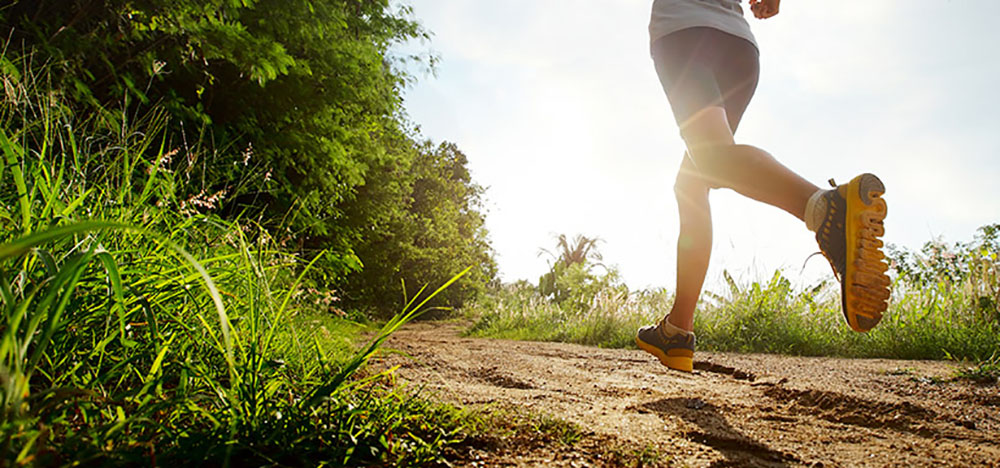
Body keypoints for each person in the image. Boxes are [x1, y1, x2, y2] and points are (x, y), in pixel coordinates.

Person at [636, 0, 890, 372]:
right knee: (692, 181)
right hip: (739, 48)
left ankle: (824, 208)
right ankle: (678, 330)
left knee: (712, 158)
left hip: (685, 31)